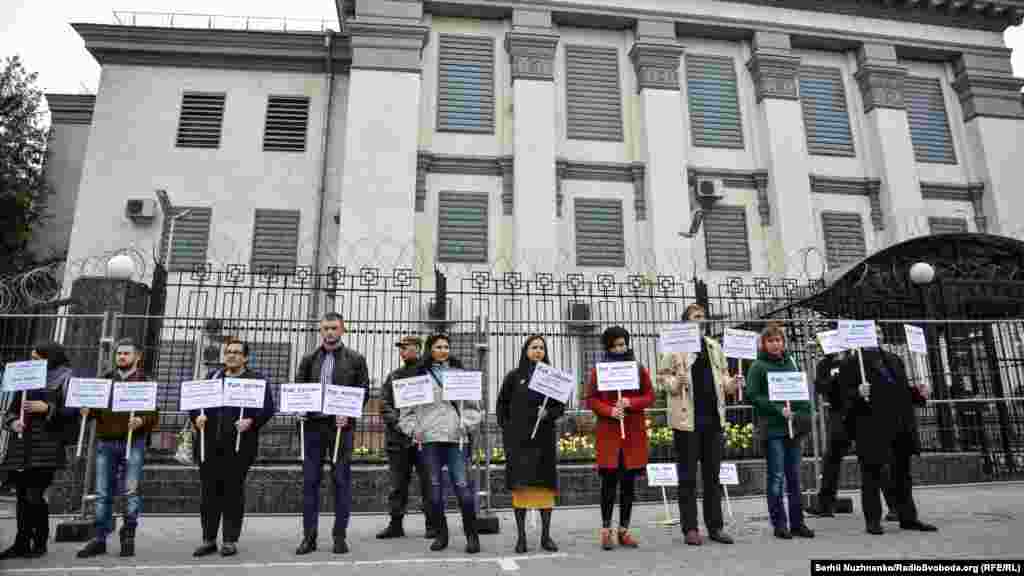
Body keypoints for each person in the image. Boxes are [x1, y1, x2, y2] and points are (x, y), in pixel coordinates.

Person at [655, 304, 738, 546]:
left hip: (713, 419)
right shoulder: (675, 347)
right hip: (686, 421)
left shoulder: (713, 346)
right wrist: (675, 381)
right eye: (695, 317)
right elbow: (661, 378)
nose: (701, 320)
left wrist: (732, 383)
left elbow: (722, 376)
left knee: (713, 476)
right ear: (686, 322)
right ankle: (690, 528)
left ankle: (715, 527)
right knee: (688, 476)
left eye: (702, 317)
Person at [840, 333, 937, 535]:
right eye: (871, 332)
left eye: (880, 333)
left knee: (902, 474)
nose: (877, 336)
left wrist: (918, 393)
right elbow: (840, 397)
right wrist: (858, 393)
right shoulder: (851, 363)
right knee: (872, 474)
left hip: (900, 424)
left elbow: (900, 391)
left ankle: (908, 517)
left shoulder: (894, 359)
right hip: (871, 425)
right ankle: (873, 520)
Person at [189, 337, 276, 557]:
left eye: (237, 352)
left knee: (232, 493)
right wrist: (196, 418)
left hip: (239, 447)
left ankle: (229, 539)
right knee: (209, 494)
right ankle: (208, 539)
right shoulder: (213, 377)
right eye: (229, 351)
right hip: (208, 446)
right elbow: (195, 404)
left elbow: (267, 409)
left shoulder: (256, 381)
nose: (232, 355)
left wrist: (251, 422)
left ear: (245, 357)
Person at [294, 312, 370, 555]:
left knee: (341, 481)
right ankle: (309, 537)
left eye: (334, 328)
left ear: (342, 330)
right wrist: (300, 409)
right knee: (310, 483)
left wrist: (349, 413)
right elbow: (300, 389)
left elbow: (363, 390)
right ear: (320, 330)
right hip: (313, 427)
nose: (329, 332)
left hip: (341, 428)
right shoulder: (308, 359)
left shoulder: (356, 359)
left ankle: (339, 537)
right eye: (326, 328)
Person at [399, 333, 482, 554]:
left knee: (463, 489)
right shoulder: (418, 377)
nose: (443, 350)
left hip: (456, 440)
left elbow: (475, 408)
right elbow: (405, 415)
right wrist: (414, 431)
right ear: (430, 349)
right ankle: (441, 534)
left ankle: (472, 536)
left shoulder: (461, 375)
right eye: (438, 346)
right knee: (434, 492)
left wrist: (467, 423)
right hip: (429, 441)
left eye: (446, 346)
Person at [77, 338, 159, 558]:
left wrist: (141, 421)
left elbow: (153, 414)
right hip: (106, 442)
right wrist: (87, 411)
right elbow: (94, 407)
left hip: (134, 443)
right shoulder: (105, 379)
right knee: (103, 493)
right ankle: (99, 538)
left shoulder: (145, 381)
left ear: (137, 357)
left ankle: (128, 534)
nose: (121, 357)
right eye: (119, 353)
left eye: (126, 353)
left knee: (131, 491)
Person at [0, 341, 76, 559]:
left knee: (34, 495)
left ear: (50, 357)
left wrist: (47, 408)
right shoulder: (26, 379)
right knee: (22, 495)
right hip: (22, 445)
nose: (34, 362)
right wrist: (13, 422)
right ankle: (21, 542)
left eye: (38, 358)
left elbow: (72, 414)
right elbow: (11, 412)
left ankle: (39, 541)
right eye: (32, 358)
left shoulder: (65, 379)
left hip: (47, 447)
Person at [586, 326, 654, 550]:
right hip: (609, 434)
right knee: (608, 483)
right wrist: (609, 410)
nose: (619, 348)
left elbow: (649, 395)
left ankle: (624, 529)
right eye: (615, 345)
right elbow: (591, 399)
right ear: (608, 347)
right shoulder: (599, 370)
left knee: (628, 485)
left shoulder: (638, 368)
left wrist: (630, 403)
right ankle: (606, 529)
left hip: (632, 433)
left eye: (623, 344)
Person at [744, 323, 815, 540]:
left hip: (793, 428)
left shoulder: (791, 362)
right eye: (771, 340)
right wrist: (777, 409)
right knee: (776, 477)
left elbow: (799, 389)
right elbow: (753, 395)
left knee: (795, 477)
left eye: (779, 340)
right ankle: (779, 523)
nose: (776, 344)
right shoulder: (758, 366)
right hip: (773, 429)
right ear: (764, 344)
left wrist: (803, 411)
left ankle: (797, 522)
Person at [497, 335, 565, 553]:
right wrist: (508, 430)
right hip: (519, 442)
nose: (538, 351)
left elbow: (559, 407)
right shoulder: (514, 377)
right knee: (521, 488)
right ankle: (521, 537)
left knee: (545, 489)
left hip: (543, 441)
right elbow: (502, 406)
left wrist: (549, 413)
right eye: (534, 347)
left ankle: (546, 536)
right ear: (525, 350)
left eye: (542, 348)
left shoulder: (553, 377)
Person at [377, 335, 436, 540]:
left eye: (406, 347)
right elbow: (384, 404)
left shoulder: (429, 374)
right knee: (397, 484)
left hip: (425, 438)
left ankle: (432, 524)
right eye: (400, 348)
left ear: (418, 349)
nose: (402, 351)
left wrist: (424, 425)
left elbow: (437, 405)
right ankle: (396, 524)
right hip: (398, 439)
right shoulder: (394, 376)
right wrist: (401, 424)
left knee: (428, 483)